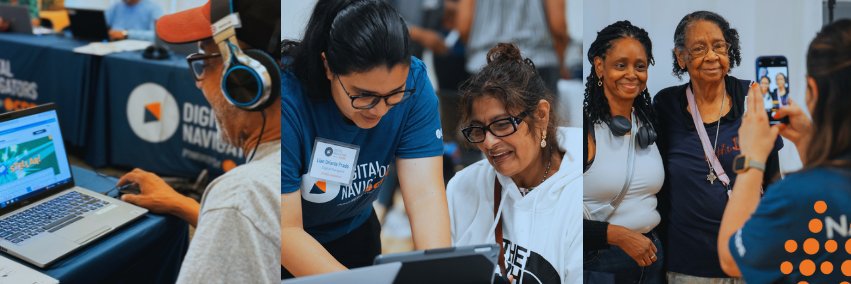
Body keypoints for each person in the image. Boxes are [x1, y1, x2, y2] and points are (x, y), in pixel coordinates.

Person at [281, 0, 450, 278]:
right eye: (364, 96)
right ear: (328, 68)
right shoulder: (288, 103)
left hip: (354, 230)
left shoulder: (416, 84)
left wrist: (439, 274)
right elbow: (286, 230)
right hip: (287, 246)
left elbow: (425, 196)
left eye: (394, 94)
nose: (380, 110)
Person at [115, 0, 281, 282]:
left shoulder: (243, 195)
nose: (198, 81)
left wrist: (227, 209)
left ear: (244, 77)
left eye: (204, 61)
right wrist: (183, 204)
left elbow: (241, 212)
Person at [718, 19, 851, 283]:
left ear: (812, 90)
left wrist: (753, 160)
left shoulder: (797, 195)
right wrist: (809, 143)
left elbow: (732, 259)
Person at [654, 11, 783, 283]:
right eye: (699, 48)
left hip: (750, 258)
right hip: (689, 266)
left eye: (719, 46)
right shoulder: (666, 105)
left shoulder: (752, 97)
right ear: (681, 57)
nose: (712, 56)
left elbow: (773, 178)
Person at [447, 43, 580, 283]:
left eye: (502, 124)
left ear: (541, 115)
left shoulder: (582, 193)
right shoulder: (463, 188)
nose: (488, 143)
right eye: (478, 130)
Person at [582, 21, 664, 284]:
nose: (632, 74)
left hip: (650, 256)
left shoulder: (649, 122)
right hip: (600, 261)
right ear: (599, 67)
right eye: (621, 65)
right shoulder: (583, 128)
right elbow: (557, 216)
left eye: (640, 66)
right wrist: (616, 235)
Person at [456, 0, 569, 93]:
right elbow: (558, 25)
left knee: (489, 119)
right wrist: (561, 62)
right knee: (539, 117)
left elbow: (463, 26)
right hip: (537, 62)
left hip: (483, 65)